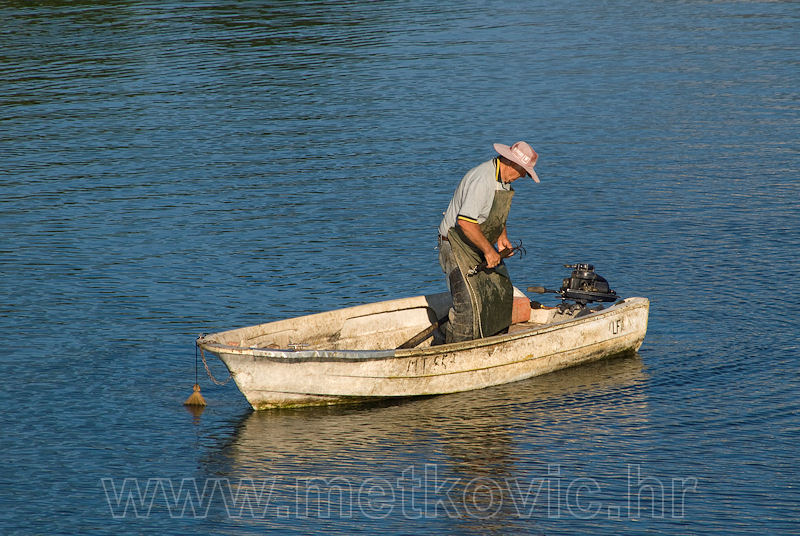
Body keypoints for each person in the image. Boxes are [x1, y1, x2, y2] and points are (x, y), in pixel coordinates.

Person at [437, 141, 539, 343]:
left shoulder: (503, 180)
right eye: (523, 172)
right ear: (512, 163)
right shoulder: (482, 180)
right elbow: (465, 223)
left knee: (501, 291)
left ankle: (489, 343)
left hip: (475, 243)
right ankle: (453, 349)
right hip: (454, 244)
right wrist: (489, 251)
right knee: (467, 305)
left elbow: (494, 213)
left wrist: (501, 237)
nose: (522, 177)